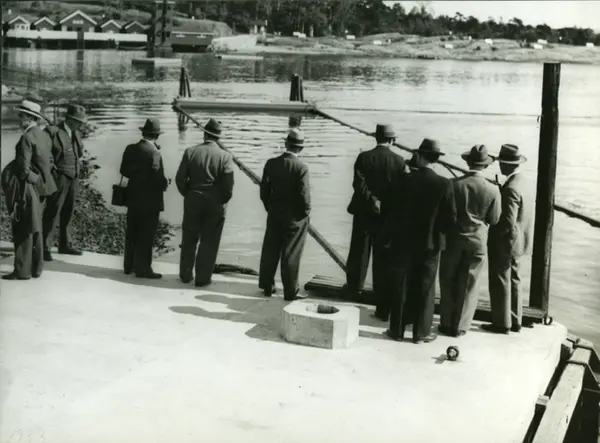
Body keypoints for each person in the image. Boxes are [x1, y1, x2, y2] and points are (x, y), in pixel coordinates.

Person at [385, 138, 456, 343]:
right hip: (430, 244)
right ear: (437, 159)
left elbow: (391, 212)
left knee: (401, 285)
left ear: (419, 156)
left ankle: (397, 331)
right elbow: (450, 218)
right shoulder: (445, 184)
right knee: (426, 288)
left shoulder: (403, 181)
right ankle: (420, 333)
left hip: (403, 242)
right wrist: (438, 233)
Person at [345, 123, 407, 319]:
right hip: (386, 215)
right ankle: (381, 298)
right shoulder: (399, 161)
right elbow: (400, 189)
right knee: (383, 258)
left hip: (364, 212)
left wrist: (372, 201)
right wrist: (383, 203)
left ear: (376, 137)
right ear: (392, 140)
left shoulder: (363, 157)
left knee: (359, 252)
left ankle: (354, 290)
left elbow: (358, 184)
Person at [438, 145, 501, 337]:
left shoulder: (453, 184)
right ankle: (460, 327)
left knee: (448, 280)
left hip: (453, 240)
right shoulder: (493, 189)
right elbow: (494, 220)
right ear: (486, 165)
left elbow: (444, 214)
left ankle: (446, 323)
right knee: (470, 284)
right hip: (477, 242)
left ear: (467, 162)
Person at [175, 118, 234, 286]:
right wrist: (221, 201)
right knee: (209, 241)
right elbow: (228, 187)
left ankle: (185, 274)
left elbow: (180, 179)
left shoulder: (190, 152)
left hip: (193, 200)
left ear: (205, 134)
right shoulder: (226, 157)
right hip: (214, 204)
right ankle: (202, 278)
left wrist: (189, 194)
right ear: (218, 137)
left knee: (189, 238)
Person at [2, 99, 56, 280]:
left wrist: (34, 180)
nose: (19, 118)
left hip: (28, 188)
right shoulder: (43, 135)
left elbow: (23, 169)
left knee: (23, 226)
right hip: (42, 189)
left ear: (29, 117)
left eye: (21, 115)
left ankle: (22, 271)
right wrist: (42, 182)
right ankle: (36, 268)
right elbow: (49, 161)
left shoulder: (26, 137)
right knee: (36, 227)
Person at [482, 144, 534, 334]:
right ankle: (515, 320)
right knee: (514, 281)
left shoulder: (511, 188)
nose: (499, 166)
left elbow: (507, 221)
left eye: (501, 163)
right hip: (520, 241)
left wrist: (493, 234)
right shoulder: (524, 182)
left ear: (506, 164)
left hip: (506, 243)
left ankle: (502, 323)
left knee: (500, 282)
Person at [258, 128, 311, 301]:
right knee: (291, 252)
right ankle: (290, 291)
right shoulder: (301, 168)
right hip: (294, 217)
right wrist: (304, 214)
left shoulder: (271, 163)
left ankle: (267, 285)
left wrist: (270, 207)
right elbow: (304, 198)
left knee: (270, 249)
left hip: (274, 213)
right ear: (301, 148)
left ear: (286, 144)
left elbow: (264, 192)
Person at [119, 118, 169, 279]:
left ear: (143, 133)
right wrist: (165, 183)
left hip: (132, 197)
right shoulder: (154, 153)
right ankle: (144, 269)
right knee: (146, 234)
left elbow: (124, 170)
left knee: (132, 231)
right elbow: (157, 179)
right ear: (157, 136)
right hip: (150, 201)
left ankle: (128, 266)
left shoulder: (131, 149)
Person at [42, 104, 87, 260]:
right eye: (78, 121)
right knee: (53, 211)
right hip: (59, 177)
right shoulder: (53, 132)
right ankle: (44, 248)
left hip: (73, 176)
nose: (80, 124)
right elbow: (43, 154)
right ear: (70, 119)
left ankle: (65, 245)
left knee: (68, 210)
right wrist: (52, 171)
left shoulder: (76, 133)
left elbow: (78, 153)